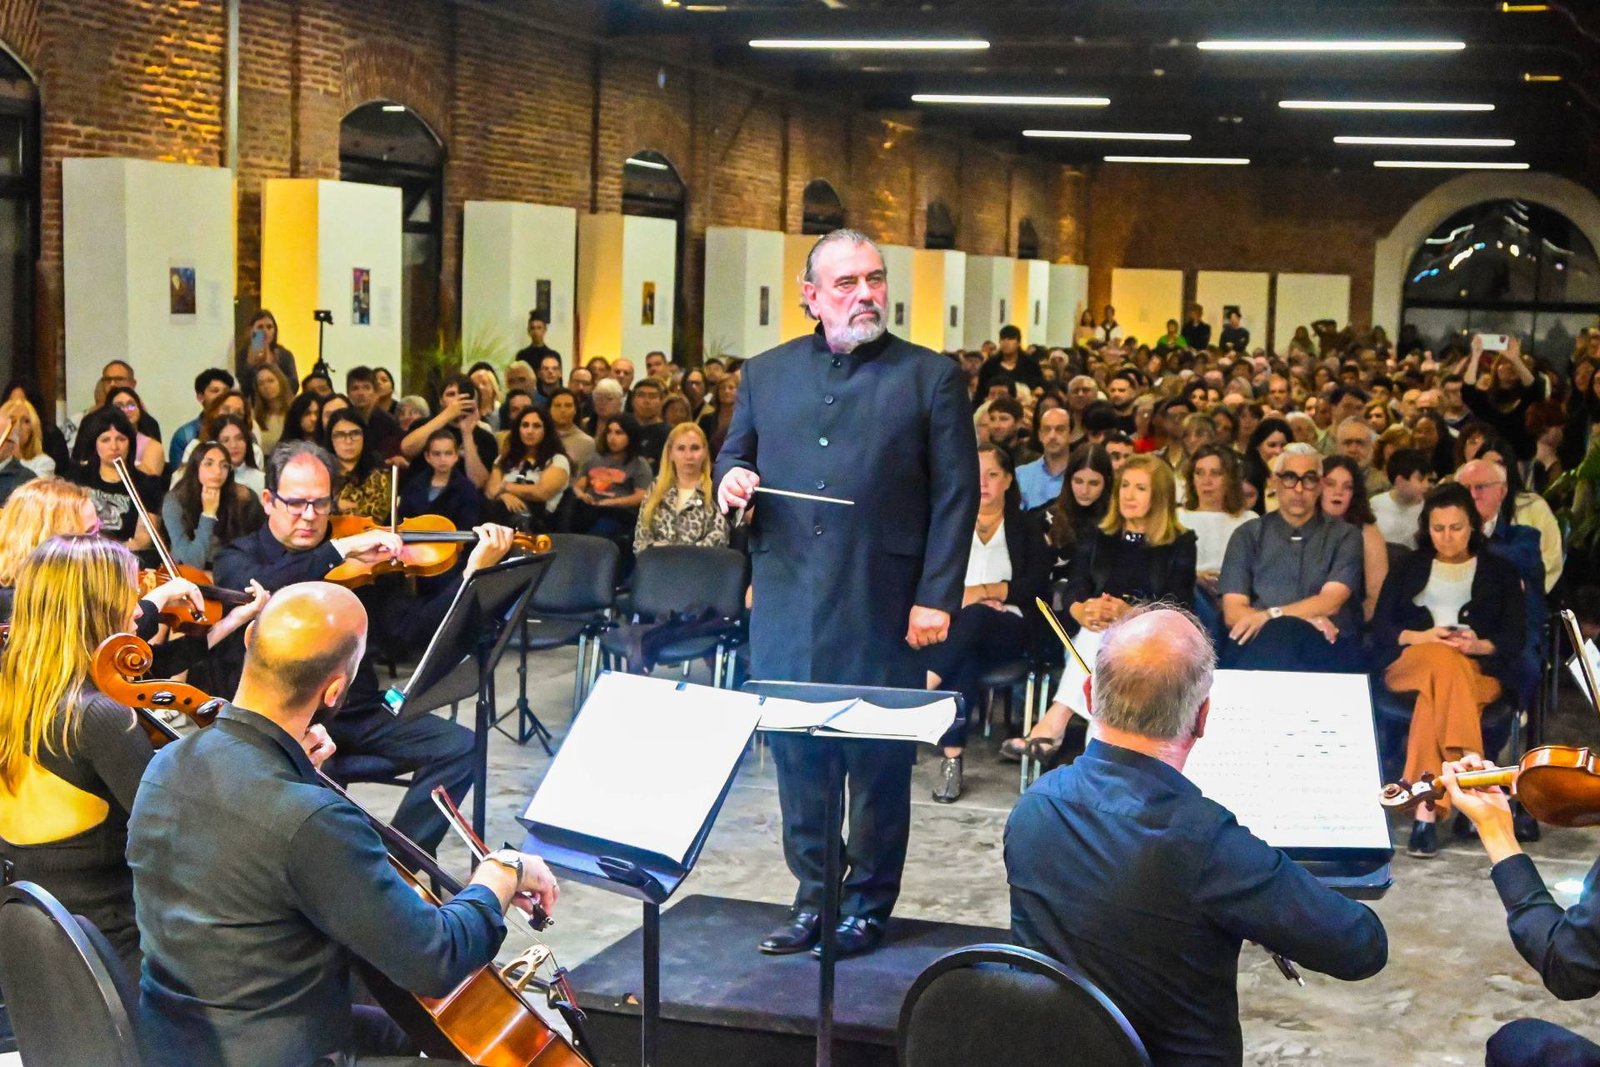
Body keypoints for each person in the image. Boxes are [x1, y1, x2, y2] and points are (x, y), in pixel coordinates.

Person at [127, 581, 557, 1067]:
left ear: (249, 640)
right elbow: (436, 959)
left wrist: (292, 774)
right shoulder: (310, 819)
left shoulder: (166, 764)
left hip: (180, 1035)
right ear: (334, 691)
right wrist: (502, 872)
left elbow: (244, 849)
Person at [715, 229, 977, 959]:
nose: (866, 294)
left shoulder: (931, 377)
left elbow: (957, 494)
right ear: (810, 297)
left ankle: (866, 906)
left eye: (875, 279)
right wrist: (731, 481)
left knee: (876, 764)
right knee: (798, 761)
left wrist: (937, 596)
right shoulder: (765, 373)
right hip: (789, 597)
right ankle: (814, 896)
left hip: (883, 601)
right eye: (846, 283)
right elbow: (735, 455)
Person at [1005, 606, 1387, 1065]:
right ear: (1203, 717)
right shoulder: (1208, 843)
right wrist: (1268, 892)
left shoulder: (1035, 805)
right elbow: (1361, 946)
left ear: (1089, 695)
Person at [213, 442, 511, 852]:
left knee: (460, 746)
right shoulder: (238, 557)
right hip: (284, 721)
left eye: (321, 503)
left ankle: (402, 860)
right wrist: (335, 552)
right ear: (268, 500)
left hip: (357, 709)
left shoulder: (362, 561)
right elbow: (264, 591)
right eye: (296, 503)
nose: (310, 515)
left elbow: (411, 631)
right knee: (315, 786)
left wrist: (471, 578)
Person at [0, 535, 264, 976]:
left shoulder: (17, 689)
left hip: (32, 932)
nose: (137, 609)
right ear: (99, 609)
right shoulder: (97, 716)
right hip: (110, 947)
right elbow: (178, 836)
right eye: (129, 593)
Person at [1372, 483, 1525, 859]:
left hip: (1478, 671)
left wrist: (1478, 645)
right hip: (1411, 663)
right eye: (1438, 528)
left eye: (1456, 527)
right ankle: (1472, 781)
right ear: (1427, 528)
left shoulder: (1501, 571)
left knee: (1435, 698)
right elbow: (1382, 628)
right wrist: (1424, 637)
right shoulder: (1408, 566)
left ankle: (1425, 811)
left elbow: (1515, 637)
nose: (1447, 536)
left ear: (1473, 525)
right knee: (1443, 659)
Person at [1015, 455, 1198, 753]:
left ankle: (1056, 719)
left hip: (1150, 643)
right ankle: (1093, 748)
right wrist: (1082, 610)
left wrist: (1131, 613)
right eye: (1125, 485)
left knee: (1106, 635)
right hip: (1092, 634)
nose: (1129, 495)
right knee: (1099, 633)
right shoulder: (1097, 534)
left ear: (1160, 496)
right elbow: (1076, 586)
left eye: (1140, 488)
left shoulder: (1180, 543)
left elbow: (1180, 605)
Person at [922, 444, 1049, 802]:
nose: (983, 483)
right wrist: (959, 601)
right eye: (976, 475)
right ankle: (952, 760)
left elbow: (1037, 585)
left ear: (1008, 480)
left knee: (976, 617)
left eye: (992, 474)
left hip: (1009, 626)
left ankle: (921, 687)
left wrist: (984, 592)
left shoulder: (1026, 527)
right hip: (957, 628)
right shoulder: (951, 525)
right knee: (965, 656)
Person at [1219, 443, 1364, 672]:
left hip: (1323, 643)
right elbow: (1233, 611)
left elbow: (1330, 602)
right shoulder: (1247, 535)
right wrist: (1295, 620)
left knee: (1288, 633)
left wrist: (1272, 616)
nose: (1299, 489)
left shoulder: (1345, 535)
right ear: (1274, 482)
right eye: (1289, 478)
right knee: (1280, 635)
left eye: (1309, 479)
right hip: (1258, 642)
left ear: (1320, 486)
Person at [1177, 444, 1256, 637]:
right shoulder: (1178, 518)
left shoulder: (1249, 520)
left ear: (1230, 479)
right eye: (1199, 473)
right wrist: (1195, 576)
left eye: (1216, 473)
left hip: (1237, 594)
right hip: (1191, 594)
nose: (1207, 481)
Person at [65, 407, 161, 551]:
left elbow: (143, 537)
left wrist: (115, 553)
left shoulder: (148, 484)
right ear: (95, 443)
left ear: (130, 443)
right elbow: (66, 527)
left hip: (126, 556)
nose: (114, 447)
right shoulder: (76, 478)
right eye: (105, 440)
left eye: (121, 439)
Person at [0, 479, 99, 619]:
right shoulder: (18, 606)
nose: (99, 541)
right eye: (90, 532)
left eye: (97, 527)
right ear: (50, 539)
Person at [162, 441, 266, 569]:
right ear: (195, 467)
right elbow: (191, 563)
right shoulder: (175, 501)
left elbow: (258, 545)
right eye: (208, 464)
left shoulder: (243, 497)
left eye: (224, 466)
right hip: (187, 574)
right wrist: (208, 514)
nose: (217, 471)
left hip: (230, 571)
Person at [634, 422, 728, 553]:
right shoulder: (656, 488)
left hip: (701, 562)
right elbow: (641, 539)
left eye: (695, 448)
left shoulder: (716, 489)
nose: (688, 456)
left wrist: (680, 555)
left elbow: (720, 537)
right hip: (659, 562)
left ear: (705, 452)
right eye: (681, 448)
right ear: (670, 453)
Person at [398, 373, 496, 490]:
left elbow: (478, 483)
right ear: (441, 400)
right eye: (451, 394)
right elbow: (407, 449)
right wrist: (447, 415)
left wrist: (467, 434)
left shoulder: (485, 438)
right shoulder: (423, 424)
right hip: (420, 494)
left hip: (460, 497)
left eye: (463, 395)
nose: (457, 400)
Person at [1320, 455, 1388, 623]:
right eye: (1330, 484)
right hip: (1303, 617)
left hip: (1348, 623)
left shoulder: (1367, 532)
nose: (1338, 492)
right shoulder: (1303, 526)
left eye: (1348, 487)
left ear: (1354, 494)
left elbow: (1376, 598)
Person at [486, 406, 571, 533]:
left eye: (536, 426)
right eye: (525, 425)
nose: (530, 431)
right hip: (502, 514)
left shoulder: (558, 460)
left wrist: (505, 486)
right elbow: (491, 491)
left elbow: (541, 492)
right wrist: (503, 495)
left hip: (538, 523)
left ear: (546, 430)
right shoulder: (504, 458)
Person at [573, 413, 652, 538]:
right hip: (590, 507)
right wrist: (582, 495)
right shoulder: (594, 458)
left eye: (619, 433)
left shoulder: (639, 464)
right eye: (609, 432)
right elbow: (578, 486)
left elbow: (641, 496)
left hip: (618, 513)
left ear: (631, 436)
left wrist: (612, 502)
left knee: (599, 532)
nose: (612, 437)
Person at [400, 428, 482, 531]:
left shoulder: (467, 489)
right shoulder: (414, 486)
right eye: (436, 454)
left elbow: (468, 526)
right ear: (427, 457)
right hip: (415, 539)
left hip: (452, 540)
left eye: (448, 453)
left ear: (456, 456)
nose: (442, 459)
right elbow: (402, 520)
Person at [326, 410, 394, 523]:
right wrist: (335, 506)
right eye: (340, 435)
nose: (348, 441)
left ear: (364, 436)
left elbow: (371, 519)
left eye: (355, 434)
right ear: (330, 439)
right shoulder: (320, 472)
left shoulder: (380, 474)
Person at [168, 369, 236, 467]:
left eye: (226, 391)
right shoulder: (185, 435)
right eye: (215, 391)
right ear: (200, 397)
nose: (222, 396)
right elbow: (179, 474)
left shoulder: (243, 431)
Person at [1371, 448, 1435, 547]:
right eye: (1421, 480)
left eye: (1428, 479)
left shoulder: (1429, 508)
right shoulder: (1374, 505)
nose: (1427, 485)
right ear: (1400, 481)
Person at [1015, 406, 1072, 510]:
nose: (1052, 436)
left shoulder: (1081, 475)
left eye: (1060, 429)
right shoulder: (1020, 475)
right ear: (1040, 435)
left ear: (1070, 434)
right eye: (1047, 429)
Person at [102, 386, 166, 477]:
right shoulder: (100, 442)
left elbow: (149, 478)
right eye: (119, 406)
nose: (126, 410)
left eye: (131, 405)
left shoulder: (152, 446)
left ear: (139, 409)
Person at [235, 308, 298, 397]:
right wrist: (250, 365)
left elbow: (294, 385)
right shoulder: (243, 355)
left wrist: (272, 367)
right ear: (251, 330)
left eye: (269, 327)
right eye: (260, 327)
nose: (265, 331)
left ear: (275, 330)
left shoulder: (284, 355)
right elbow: (243, 388)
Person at [344, 366, 404, 459]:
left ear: (376, 392)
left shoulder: (388, 423)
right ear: (348, 393)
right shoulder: (343, 420)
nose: (361, 393)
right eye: (355, 388)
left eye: (366, 388)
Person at [976, 324, 1043, 397]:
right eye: (1003, 339)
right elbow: (981, 391)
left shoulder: (1031, 364)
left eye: (1010, 339)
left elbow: (1039, 385)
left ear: (1018, 342)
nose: (1006, 342)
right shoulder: (990, 365)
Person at [250, 363, 293, 452]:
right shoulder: (253, 416)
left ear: (280, 381)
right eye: (261, 383)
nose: (266, 386)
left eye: (270, 381)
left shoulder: (294, 411)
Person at [546, 386, 594, 465]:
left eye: (568, 405)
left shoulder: (587, 443)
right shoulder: (540, 437)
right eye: (557, 405)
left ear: (575, 410)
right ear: (549, 410)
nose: (563, 410)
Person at [630, 378, 670, 473]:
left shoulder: (669, 434)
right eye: (641, 395)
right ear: (632, 400)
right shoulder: (623, 428)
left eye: (652, 396)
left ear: (661, 401)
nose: (647, 401)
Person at [698, 372, 739, 456]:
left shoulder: (746, 421)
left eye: (731, 388)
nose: (726, 391)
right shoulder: (706, 420)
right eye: (722, 388)